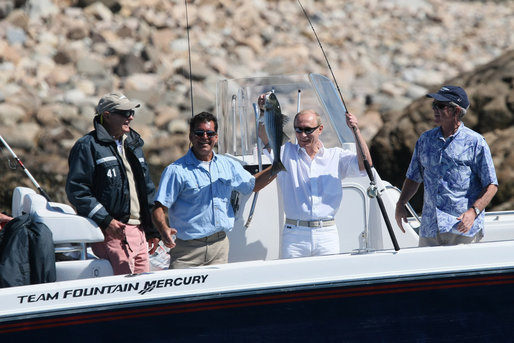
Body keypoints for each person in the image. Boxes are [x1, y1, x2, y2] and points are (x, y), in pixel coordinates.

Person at [152, 112, 276, 269]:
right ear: (191, 136)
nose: (205, 137)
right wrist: (164, 230)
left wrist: (276, 167)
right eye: (199, 133)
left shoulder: (227, 164)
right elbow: (159, 208)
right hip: (186, 252)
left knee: (218, 294)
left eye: (209, 133)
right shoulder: (175, 171)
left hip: (220, 247)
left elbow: (253, 185)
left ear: (216, 137)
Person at [258, 93, 372, 258]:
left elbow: (366, 165)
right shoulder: (285, 153)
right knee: (294, 282)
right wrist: (264, 111)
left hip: (327, 234)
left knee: (330, 281)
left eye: (308, 130)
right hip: (294, 235)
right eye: (298, 130)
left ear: (320, 129)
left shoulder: (336, 156)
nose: (302, 135)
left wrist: (356, 130)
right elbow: (265, 136)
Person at [66, 92, 160, 275]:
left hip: (139, 232)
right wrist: (106, 221)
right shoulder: (87, 146)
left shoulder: (134, 144)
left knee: (143, 294)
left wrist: (152, 230)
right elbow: (77, 190)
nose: (130, 117)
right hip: (113, 234)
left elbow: (146, 189)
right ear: (107, 116)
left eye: (131, 112)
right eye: (124, 113)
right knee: (124, 293)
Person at [395, 85, 498, 246]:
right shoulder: (425, 140)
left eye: (440, 106)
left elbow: (491, 185)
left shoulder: (476, 142)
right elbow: (413, 177)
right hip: (430, 228)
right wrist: (401, 204)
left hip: (462, 229)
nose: (435, 109)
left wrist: (473, 212)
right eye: (434, 105)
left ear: (456, 111)